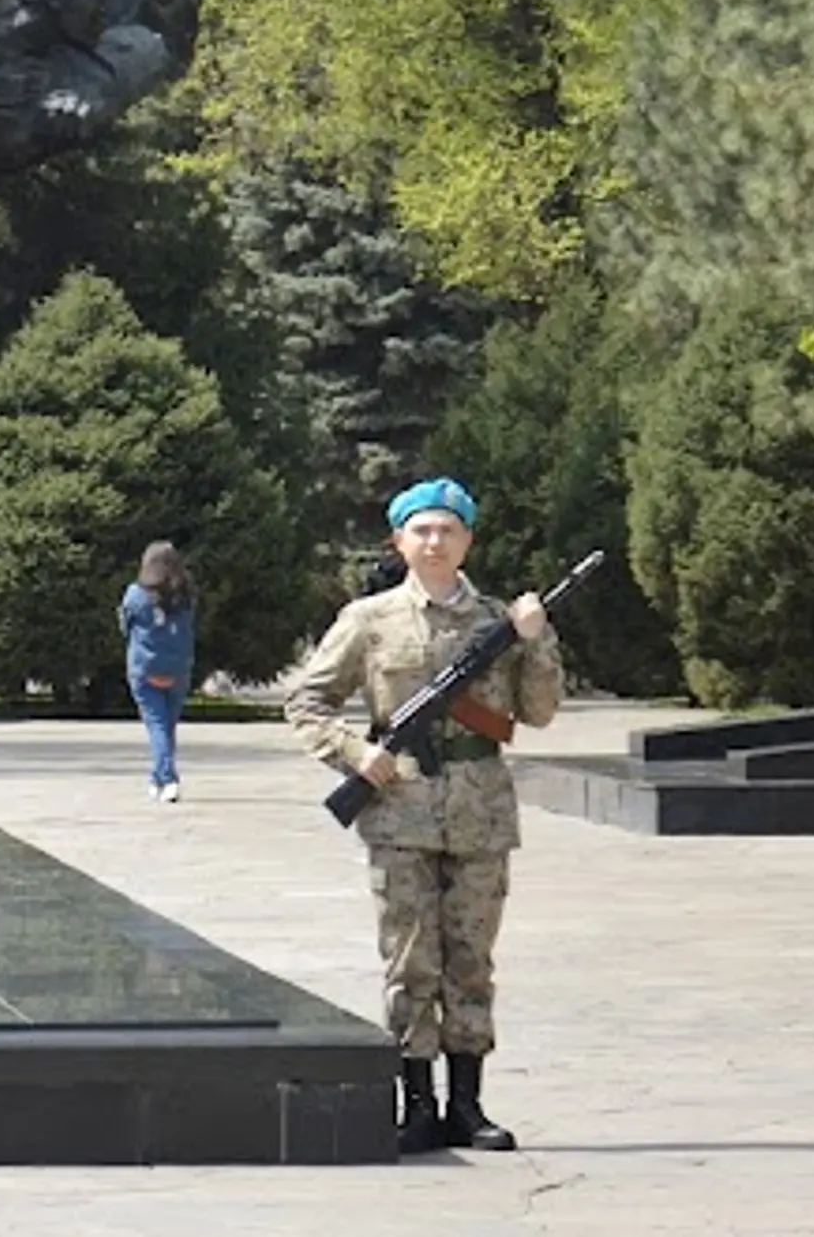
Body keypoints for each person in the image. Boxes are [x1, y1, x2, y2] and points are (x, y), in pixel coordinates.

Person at [284, 477, 562, 1157]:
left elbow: (540, 709)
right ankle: (417, 1104)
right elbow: (306, 701)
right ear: (400, 540)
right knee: (409, 962)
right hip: (400, 812)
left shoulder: (500, 618)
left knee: (470, 962)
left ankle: (468, 1104)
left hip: (479, 814)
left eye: (449, 530)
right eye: (423, 530)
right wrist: (355, 754)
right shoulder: (369, 620)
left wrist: (537, 639)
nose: (435, 542)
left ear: (467, 540)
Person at [119, 540, 197, 802]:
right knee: (166, 726)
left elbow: (125, 625)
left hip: (145, 667)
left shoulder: (135, 594)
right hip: (178, 667)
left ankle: (168, 778)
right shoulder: (185, 596)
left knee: (156, 724)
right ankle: (157, 777)